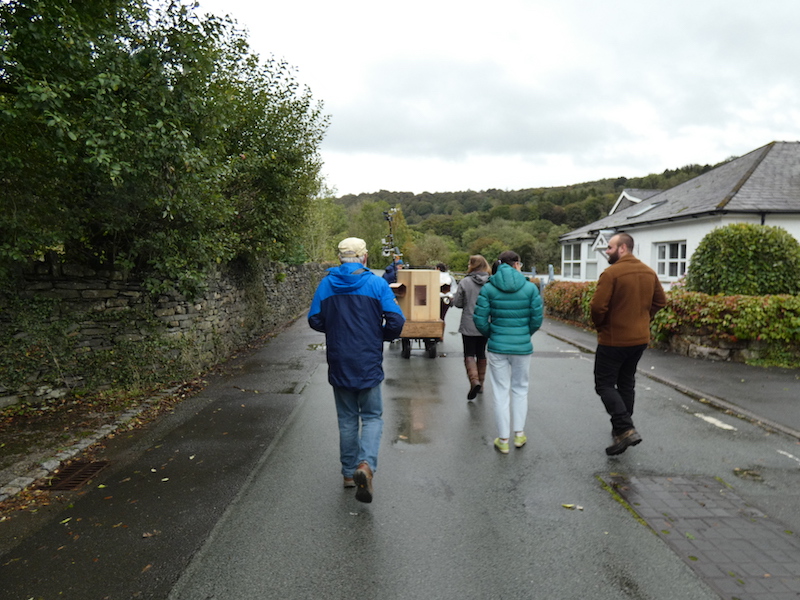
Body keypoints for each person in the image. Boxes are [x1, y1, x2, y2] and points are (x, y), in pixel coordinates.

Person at [308, 237, 406, 502]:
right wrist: (381, 335)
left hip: (340, 359)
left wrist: (336, 329)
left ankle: (349, 474)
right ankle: (366, 465)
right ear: (364, 257)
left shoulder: (327, 284)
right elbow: (397, 319)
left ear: (339, 258)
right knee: (372, 416)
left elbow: (314, 319)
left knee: (347, 418)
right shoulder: (376, 283)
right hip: (367, 360)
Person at [590, 232, 666, 456]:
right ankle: (620, 431)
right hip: (639, 338)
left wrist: (601, 325)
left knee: (603, 384)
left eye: (610, 248)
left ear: (623, 248)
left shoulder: (612, 273)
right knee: (626, 383)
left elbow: (597, 308)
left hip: (613, 339)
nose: (607, 251)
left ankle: (625, 428)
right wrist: (644, 318)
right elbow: (661, 301)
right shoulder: (649, 272)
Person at [473, 250, 543, 454]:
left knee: (501, 392)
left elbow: (479, 319)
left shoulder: (489, 288)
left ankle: (503, 439)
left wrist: (493, 334)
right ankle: (519, 434)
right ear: (517, 265)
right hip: (522, 347)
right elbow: (537, 319)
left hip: (497, 347)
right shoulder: (530, 288)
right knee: (520, 389)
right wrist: (524, 334)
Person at [453, 255, 491, 401]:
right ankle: (481, 383)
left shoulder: (465, 282)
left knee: (469, 353)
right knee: (481, 352)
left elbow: (457, 303)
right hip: (486, 323)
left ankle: (473, 380)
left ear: (472, 265)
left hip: (469, 323)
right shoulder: (491, 283)